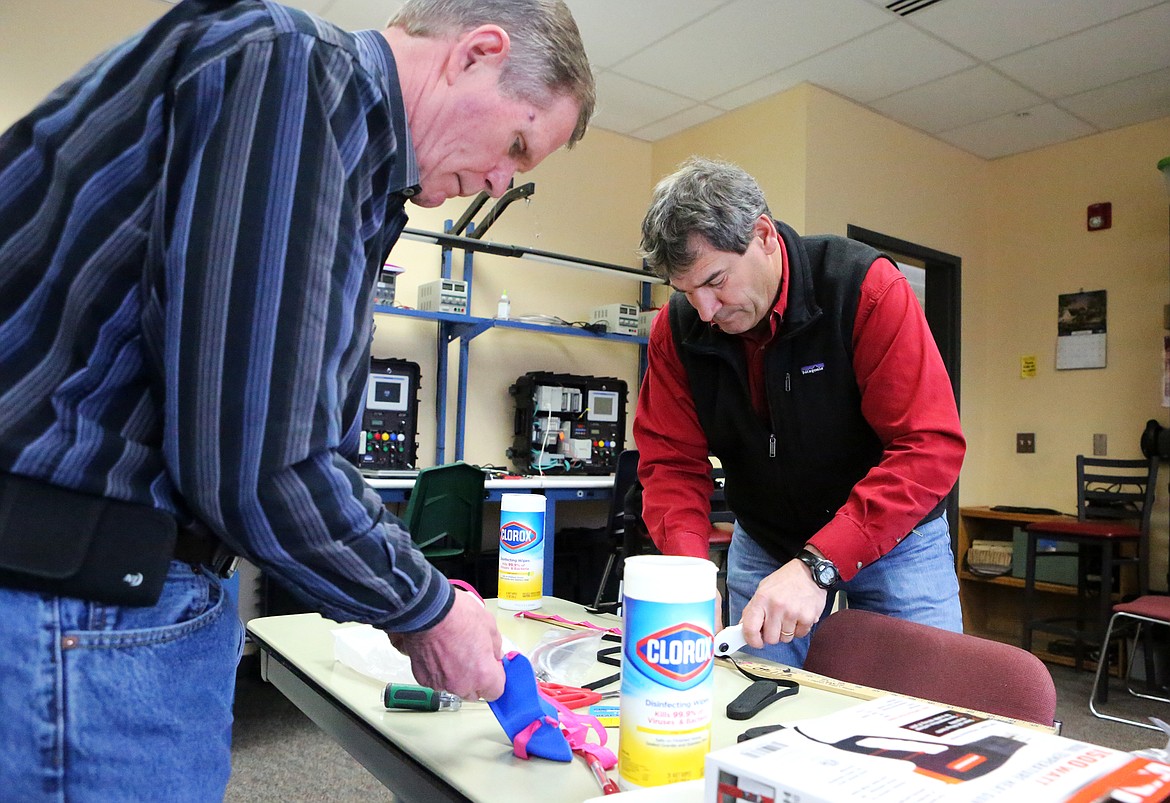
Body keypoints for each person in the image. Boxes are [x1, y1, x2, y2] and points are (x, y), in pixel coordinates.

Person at [0, 0, 593, 797]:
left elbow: (300, 441)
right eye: (516, 146)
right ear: (477, 54)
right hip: (82, 602)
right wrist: (425, 609)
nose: (499, 180)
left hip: (98, 590)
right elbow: (260, 462)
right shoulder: (303, 76)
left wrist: (419, 586)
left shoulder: (360, 171)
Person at [634, 157, 965, 669]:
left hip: (898, 535)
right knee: (750, 696)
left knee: (928, 707)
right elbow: (671, 461)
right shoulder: (678, 330)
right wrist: (689, 574)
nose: (705, 311)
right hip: (767, 536)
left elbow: (929, 446)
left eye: (716, 280)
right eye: (686, 292)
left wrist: (819, 564)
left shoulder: (864, 289)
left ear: (763, 236)